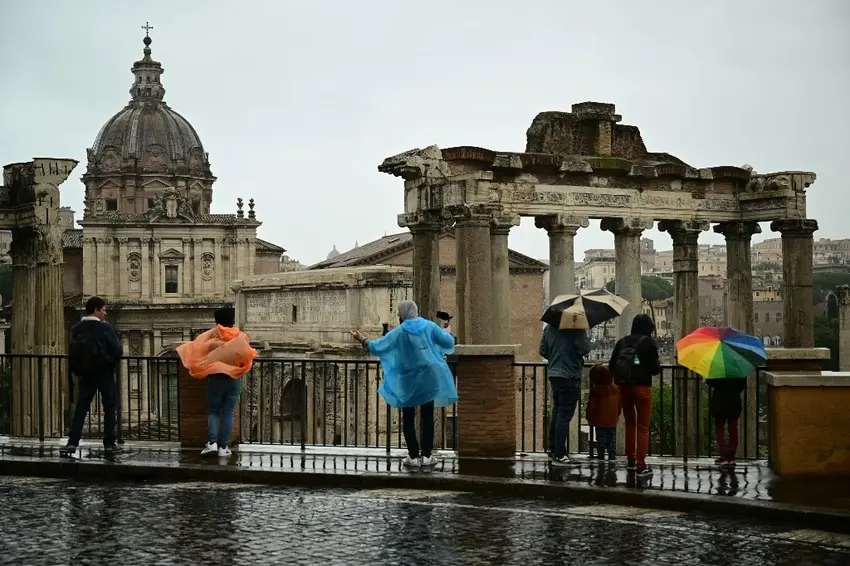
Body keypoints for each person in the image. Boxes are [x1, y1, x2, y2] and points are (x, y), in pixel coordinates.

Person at [350, 300, 457, 469]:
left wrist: (361, 338)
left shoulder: (399, 332)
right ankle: (427, 456)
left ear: (404, 313)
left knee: (408, 417)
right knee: (427, 416)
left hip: (408, 380)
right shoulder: (429, 326)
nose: (399, 316)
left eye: (399, 313)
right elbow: (449, 342)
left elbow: (378, 346)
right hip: (428, 377)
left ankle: (413, 456)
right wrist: (446, 331)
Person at [176, 307, 256, 458]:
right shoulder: (240, 336)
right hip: (234, 379)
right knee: (228, 412)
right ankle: (223, 447)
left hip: (216, 378)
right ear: (232, 320)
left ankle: (212, 443)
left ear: (217, 321)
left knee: (213, 411)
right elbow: (246, 355)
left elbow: (199, 349)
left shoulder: (212, 337)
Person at [61, 296, 123, 456]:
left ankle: (72, 442)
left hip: (85, 374)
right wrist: (108, 359)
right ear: (96, 310)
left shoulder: (77, 329)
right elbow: (118, 351)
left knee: (81, 409)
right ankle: (109, 443)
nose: (105, 313)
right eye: (103, 310)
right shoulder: (105, 328)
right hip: (104, 374)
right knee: (109, 408)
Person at [609, 313, 660, 477]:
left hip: (624, 386)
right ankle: (641, 464)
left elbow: (611, 366)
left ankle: (630, 460)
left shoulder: (622, 342)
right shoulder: (649, 343)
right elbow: (655, 369)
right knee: (643, 427)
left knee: (630, 423)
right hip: (642, 387)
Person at [539, 323, 591, 465]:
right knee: (564, 414)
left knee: (557, 411)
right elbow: (584, 349)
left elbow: (542, 350)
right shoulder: (576, 327)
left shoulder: (550, 327)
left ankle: (553, 448)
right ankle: (560, 453)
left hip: (554, 374)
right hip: (569, 374)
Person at [708, 377, 747, 467]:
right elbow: (742, 386)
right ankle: (731, 456)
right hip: (734, 401)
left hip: (719, 401)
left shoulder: (717, 369)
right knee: (733, 429)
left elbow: (710, 382)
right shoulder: (738, 370)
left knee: (719, 428)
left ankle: (723, 456)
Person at [586, 364, 621, 461]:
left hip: (600, 420)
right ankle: (612, 455)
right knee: (611, 438)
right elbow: (618, 405)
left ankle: (601, 455)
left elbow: (592, 407)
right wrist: (617, 414)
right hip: (612, 420)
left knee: (601, 438)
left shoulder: (596, 391)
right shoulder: (615, 389)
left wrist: (589, 416)